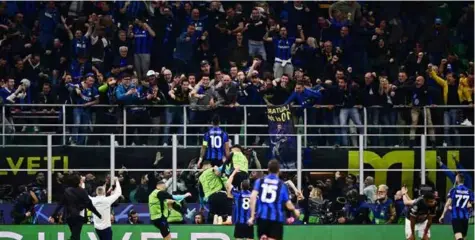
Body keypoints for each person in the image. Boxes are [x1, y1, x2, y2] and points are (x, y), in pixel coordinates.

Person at [248, 159, 300, 240]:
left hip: (262, 218)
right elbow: (288, 204)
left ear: (268, 169)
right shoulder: (281, 185)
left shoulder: (260, 181)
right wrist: (295, 210)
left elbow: (252, 198)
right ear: (279, 170)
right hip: (276, 219)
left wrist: (252, 216)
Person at [49, 173, 102, 240]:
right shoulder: (82, 191)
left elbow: (60, 204)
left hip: (69, 217)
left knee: (75, 235)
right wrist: (99, 215)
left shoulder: (67, 191)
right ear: (78, 181)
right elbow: (89, 205)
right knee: (75, 237)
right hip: (78, 217)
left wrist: (53, 215)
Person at [440, 174, 474, 240]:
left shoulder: (454, 190)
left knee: (459, 238)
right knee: (463, 237)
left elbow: (448, 203)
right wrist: (469, 206)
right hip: (465, 218)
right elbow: (472, 203)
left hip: (456, 217)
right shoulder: (469, 191)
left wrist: (442, 215)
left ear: (457, 180)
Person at [198, 160, 231, 224]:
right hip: (221, 194)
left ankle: (214, 231)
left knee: (214, 215)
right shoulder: (213, 169)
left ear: (203, 167)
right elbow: (224, 167)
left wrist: (201, 205)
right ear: (209, 165)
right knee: (222, 216)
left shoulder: (200, 178)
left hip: (211, 198)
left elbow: (201, 194)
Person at [226, 167, 253, 240]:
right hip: (249, 222)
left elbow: (228, 183)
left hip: (239, 223)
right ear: (249, 186)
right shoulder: (253, 195)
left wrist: (234, 171)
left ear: (241, 186)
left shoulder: (238, 194)